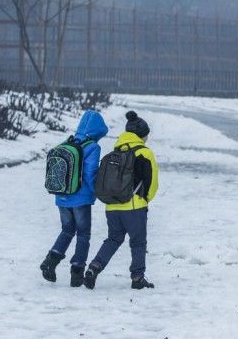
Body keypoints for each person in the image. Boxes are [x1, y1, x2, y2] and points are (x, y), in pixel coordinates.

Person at [84, 111, 159, 290]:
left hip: (112, 208)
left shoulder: (115, 153)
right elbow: (152, 183)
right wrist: (145, 200)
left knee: (113, 239)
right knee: (138, 242)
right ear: (142, 135)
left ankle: (94, 267)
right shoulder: (144, 153)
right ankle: (137, 277)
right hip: (134, 207)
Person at [40, 110, 108, 286]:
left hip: (61, 196)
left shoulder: (67, 141)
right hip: (81, 199)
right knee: (83, 234)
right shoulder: (92, 147)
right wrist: (97, 193)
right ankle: (77, 272)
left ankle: (50, 261)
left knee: (67, 230)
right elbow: (90, 173)